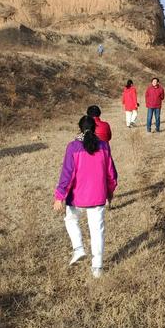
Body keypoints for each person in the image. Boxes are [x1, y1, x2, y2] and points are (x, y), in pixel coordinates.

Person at [53, 115, 118, 279]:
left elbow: (67, 174)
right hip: (98, 197)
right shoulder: (104, 146)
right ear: (95, 128)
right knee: (97, 231)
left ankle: (78, 248)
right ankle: (97, 267)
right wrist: (110, 192)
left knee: (70, 220)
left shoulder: (73, 147)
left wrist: (59, 196)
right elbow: (111, 174)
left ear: (79, 128)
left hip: (76, 197)